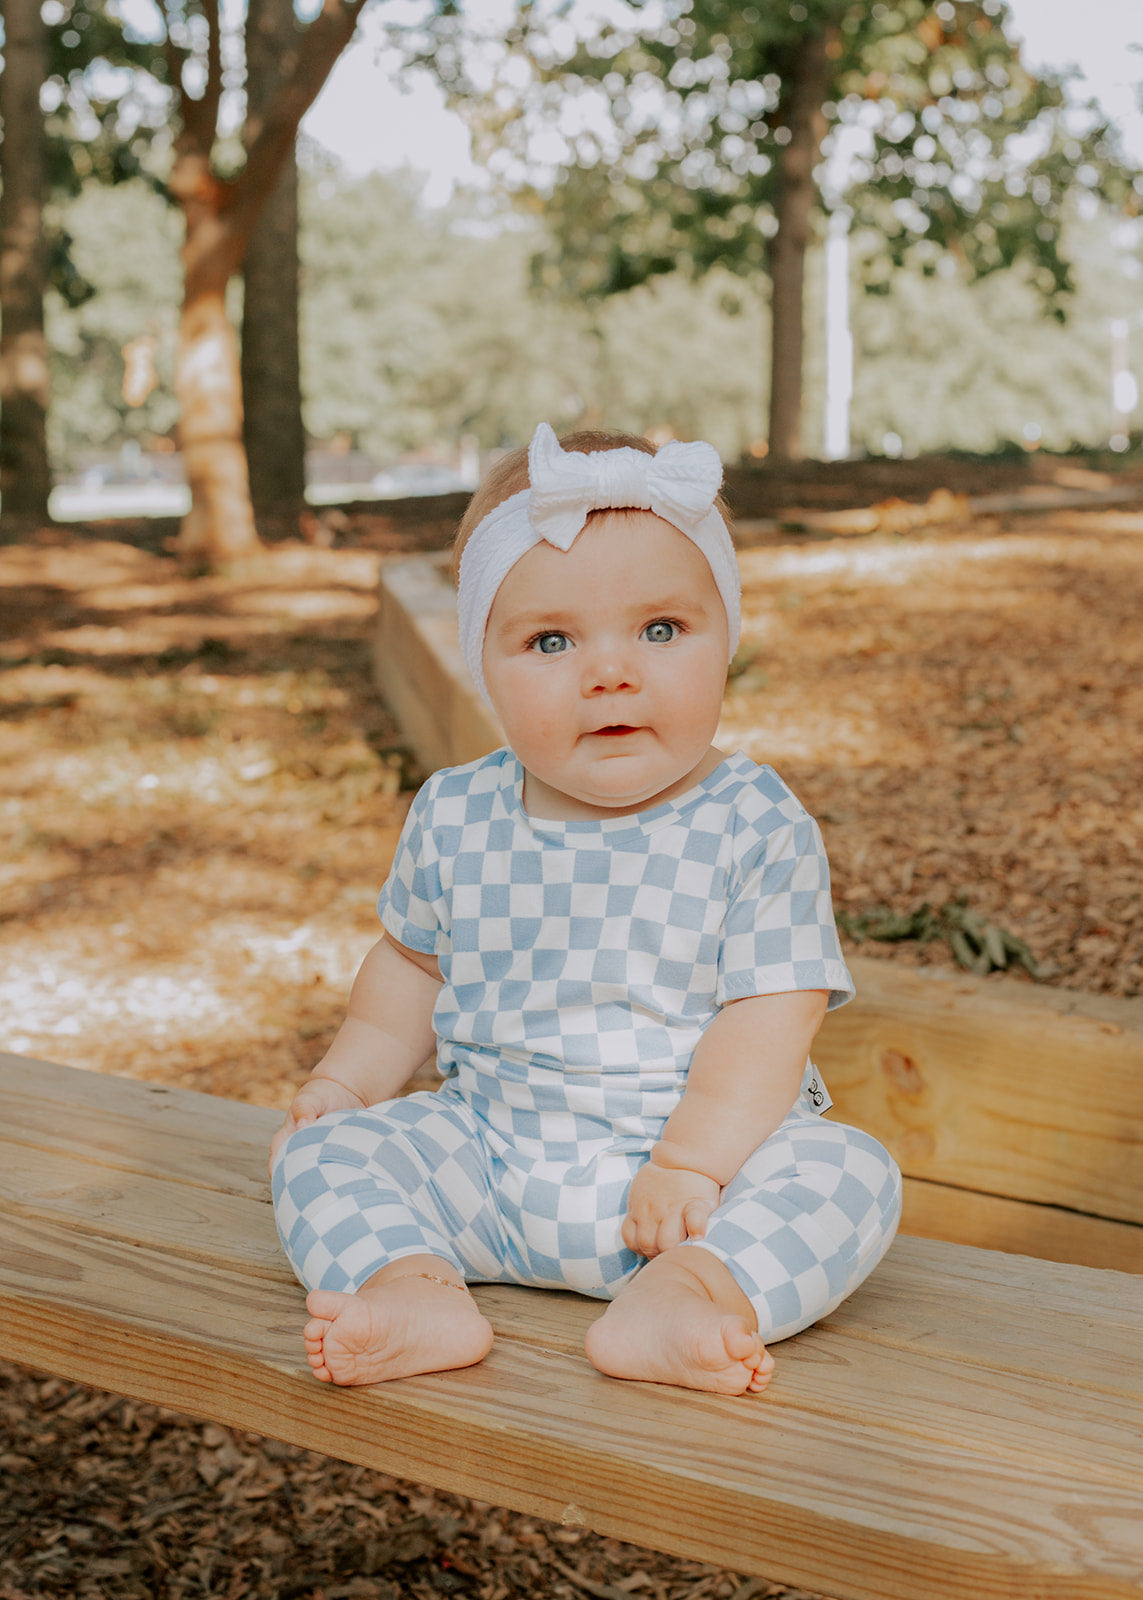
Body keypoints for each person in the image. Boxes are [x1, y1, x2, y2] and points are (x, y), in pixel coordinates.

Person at [270, 423, 902, 1396]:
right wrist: (345, 1087)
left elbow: (774, 1010)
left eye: (660, 630)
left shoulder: (752, 820)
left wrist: (693, 1163)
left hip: (698, 1189)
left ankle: (690, 1293)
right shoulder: (456, 811)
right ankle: (415, 1284)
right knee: (321, 1156)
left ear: (725, 641)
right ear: (485, 662)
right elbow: (406, 970)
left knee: (848, 1176)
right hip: (489, 1158)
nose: (610, 672)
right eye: (551, 639)